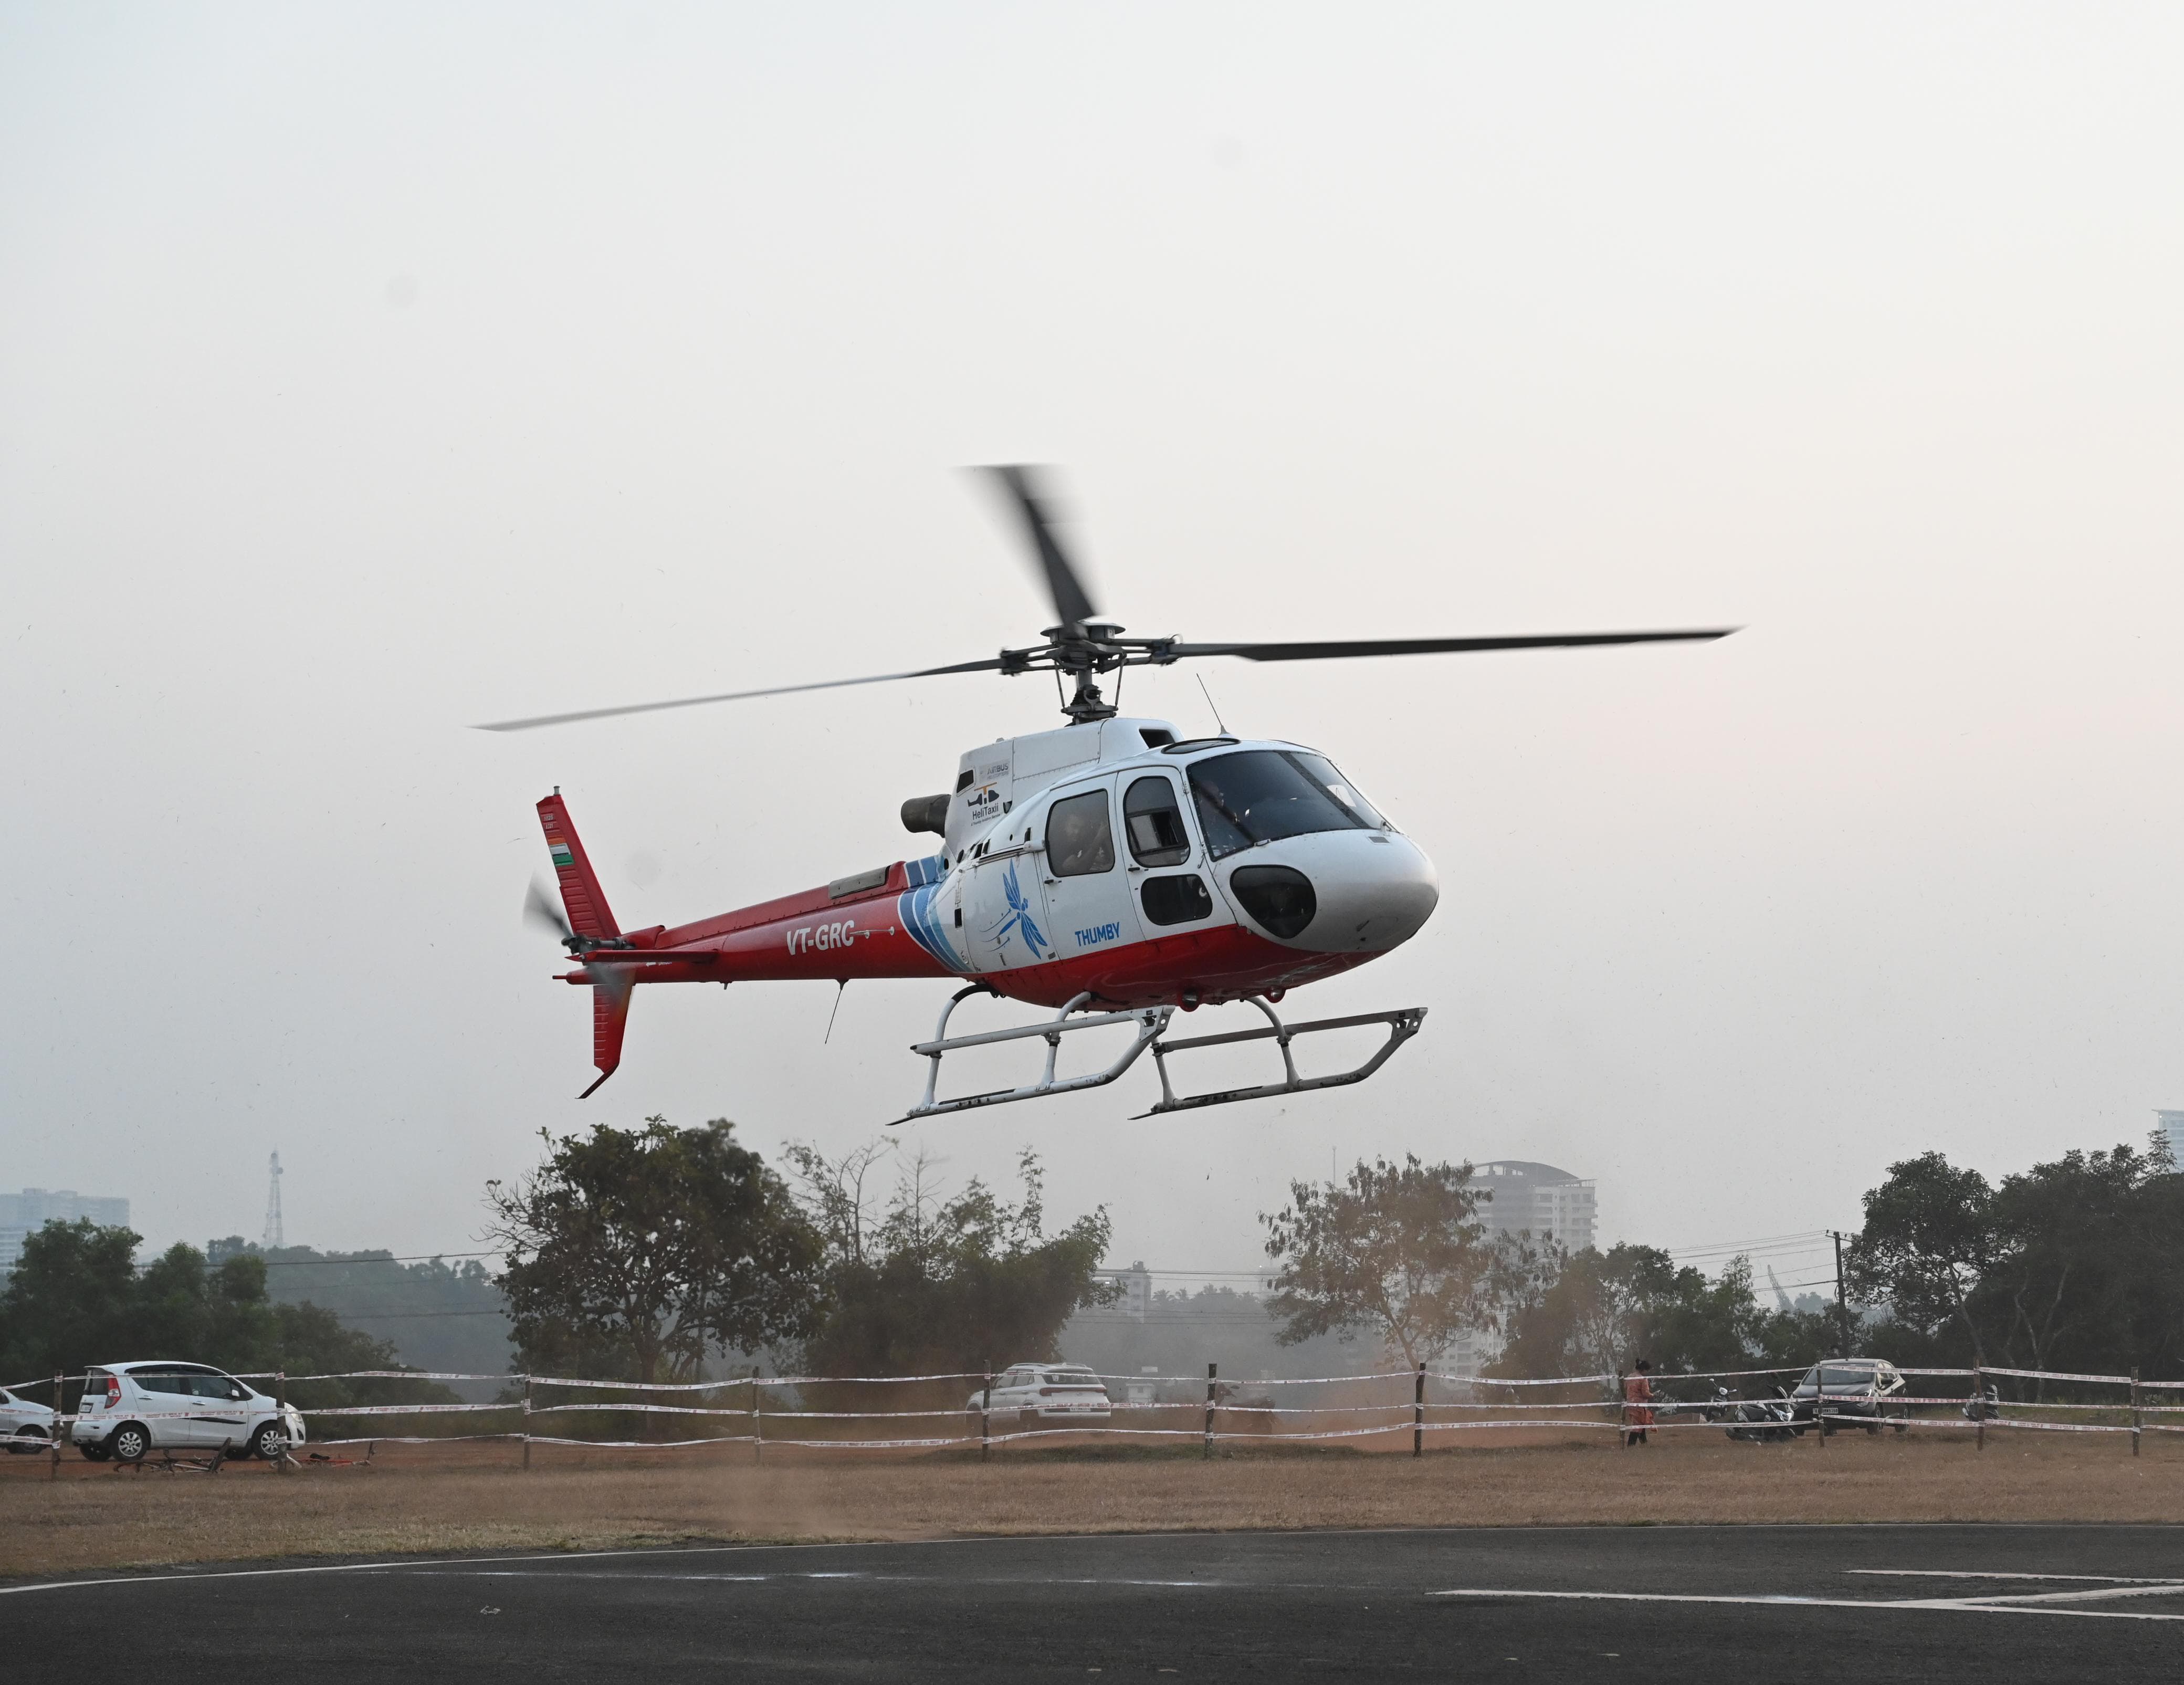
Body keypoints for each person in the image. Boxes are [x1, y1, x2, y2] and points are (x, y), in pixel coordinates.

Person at [1623, 1358, 1655, 1447]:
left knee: (1641, 1423)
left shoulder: (1629, 1377)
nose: (1647, 1372)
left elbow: (1625, 1389)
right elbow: (1646, 1394)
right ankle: (1631, 1445)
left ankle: (1644, 1443)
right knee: (1637, 1425)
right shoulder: (1643, 1379)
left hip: (1630, 1404)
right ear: (1643, 1369)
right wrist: (1652, 1395)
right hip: (1640, 1405)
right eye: (1647, 1370)